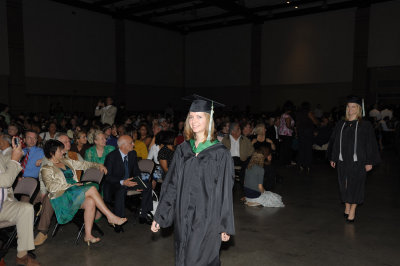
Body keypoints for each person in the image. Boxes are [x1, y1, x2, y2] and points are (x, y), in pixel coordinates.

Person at [151, 97, 235, 266]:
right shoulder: (183, 150)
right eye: (191, 116)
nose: (194, 121)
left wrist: (224, 224)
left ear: (209, 119)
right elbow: (172, 184)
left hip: (208, 217)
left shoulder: (220, 153)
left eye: (199, 116)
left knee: (198, 259)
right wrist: (161, 214)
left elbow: (225, 191)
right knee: (182, 256)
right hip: (183, 216)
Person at [40, 140, 127, 245]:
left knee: (90, 201)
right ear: (51, 153)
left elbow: (83, 164)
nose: (63, 152)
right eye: (60, 150)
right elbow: (50, 187)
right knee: (92, 189)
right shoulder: (46, 168)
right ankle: (110, 216)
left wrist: (98, 165)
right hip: (63, 195)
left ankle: (88, 235)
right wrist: (71, 185)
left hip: (75, 192)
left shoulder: (65, 161)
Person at [329, 96, 381, 222]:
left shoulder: (365, 125)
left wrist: (369, 161)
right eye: (348, 106)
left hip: (358, 160)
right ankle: (347, 206)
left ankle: (352, 210)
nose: (350, 109)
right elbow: (335, 142)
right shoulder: (341, 124)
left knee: (356, 185)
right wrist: (334, 157)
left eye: (353, 106)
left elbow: (370, 143)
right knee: (344, 185)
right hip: (343, 160)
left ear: (358, 109)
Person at [0, 137, 40, 265]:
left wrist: (17, 153)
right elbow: (6, 181)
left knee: (26, 208)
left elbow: (5, 162)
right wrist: (14, 160)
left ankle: (22, 255)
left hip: (3, 204)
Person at [103, 135, 153, 232]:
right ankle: (119, 221)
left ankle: (143, 215)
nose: (133, 144)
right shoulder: (111, 157)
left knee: (148, 186)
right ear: (123, 146)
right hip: (116, 184)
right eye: (131, 143)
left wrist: (139, 183)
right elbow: (108, 177)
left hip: (130, 182)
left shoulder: (132, 154)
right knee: (121, 190)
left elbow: (136, 171)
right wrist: (123, 182)